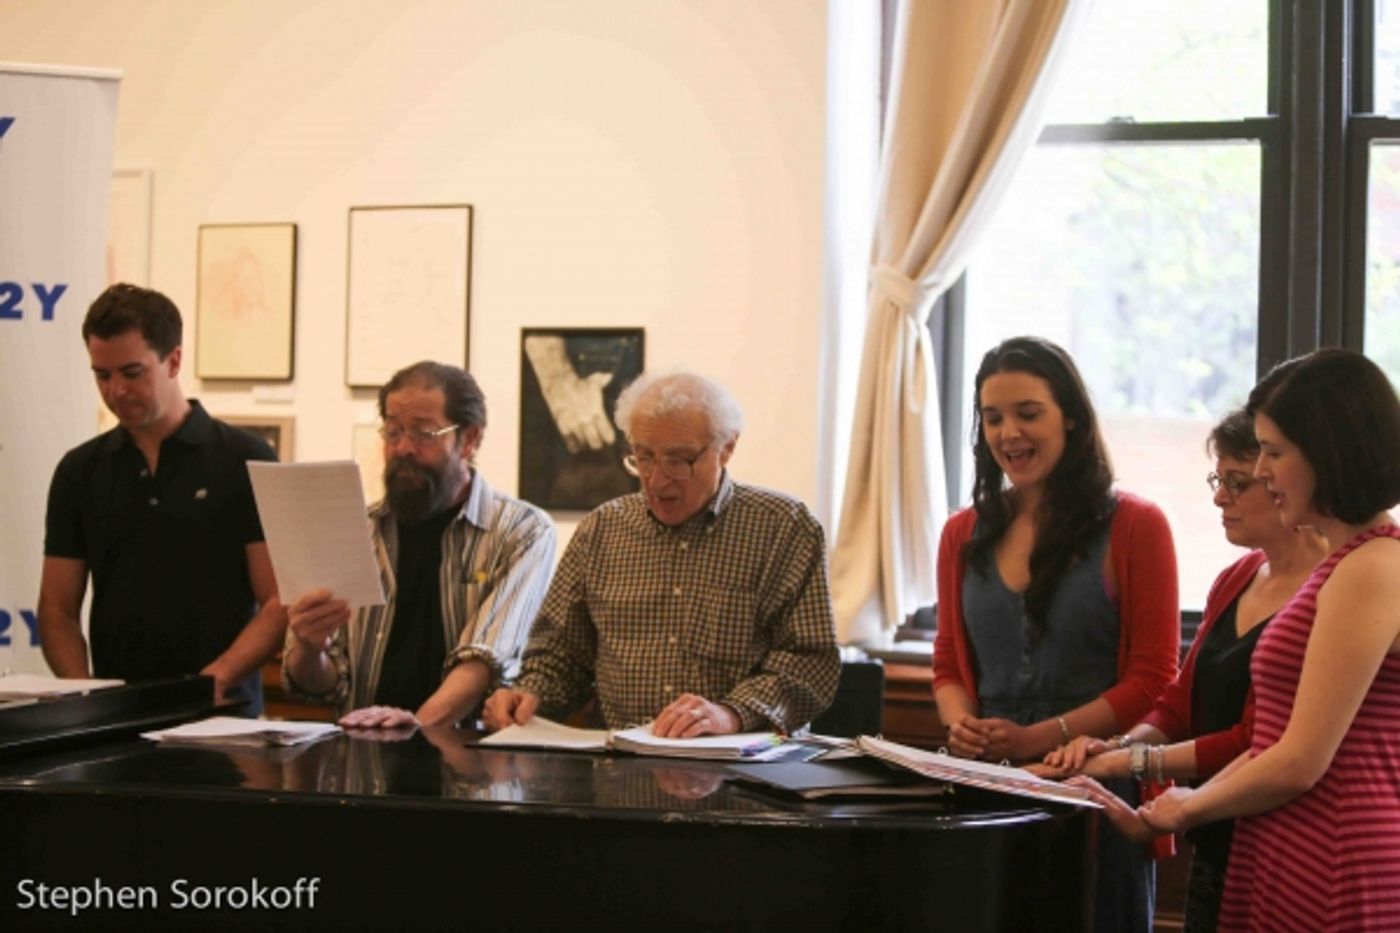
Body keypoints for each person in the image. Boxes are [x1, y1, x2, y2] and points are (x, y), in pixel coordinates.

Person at [1117, 348, 1400, 932]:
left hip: (1337, 849)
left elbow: (1300, 759)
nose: (1263, 471)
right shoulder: (1341, 563)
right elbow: (1276, 739)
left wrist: (1183, 806)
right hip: (1288, 836)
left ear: (1329, 453)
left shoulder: (1374, 565)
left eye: (1274, 452)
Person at [1040, 409, 1328, 933]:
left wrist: (1128, 764)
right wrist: (1120, 744)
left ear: (1285, 482)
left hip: (1283, 838)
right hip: (1214, 831)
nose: (1220, 497)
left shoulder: (1328, 589)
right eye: (1219, 481)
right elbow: (1180, 703)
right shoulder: (1237, 576)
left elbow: (1255, 739)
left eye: (1238, 484)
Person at [931, 336, 1179, 933]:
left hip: (1097, 788)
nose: (1008, 432)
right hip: (987, 788)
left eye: (1028, 413)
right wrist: (960, 724)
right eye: (993, 418)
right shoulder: (961, 533)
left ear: (1070, 414)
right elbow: (947, 661)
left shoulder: (1137, 525)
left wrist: (1035, 738)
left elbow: (1154, 679)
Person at [483, 372, 839, 737]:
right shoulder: (601, 531)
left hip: (743, 768)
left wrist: (731, 714)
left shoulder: (784, 528)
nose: (656, 480)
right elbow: (561, 656)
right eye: (644, 457)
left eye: (679, 460)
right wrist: (530, 694)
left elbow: (809, 662)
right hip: (621, 771)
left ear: (728, 447)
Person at [38, 283, 285, 713]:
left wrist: (217, 677)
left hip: (223, 717)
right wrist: (84, 693)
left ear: (174, 361)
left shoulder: (246, 459)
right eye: (102, 375)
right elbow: (57, 609)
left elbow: (280, 599)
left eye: (132, 373)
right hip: (114, 719)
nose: (115, 390)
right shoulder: (80, 471)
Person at [283, 362, 556, 729]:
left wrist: (413, 728)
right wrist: (309, 648)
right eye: (393, 432)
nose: (404, 448)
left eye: (424, 433)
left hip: (467, 765)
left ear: (470, 440)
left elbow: (484, 660)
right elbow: (322, 685)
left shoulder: (521, 531)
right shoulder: (357, 530)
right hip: (361, 758)